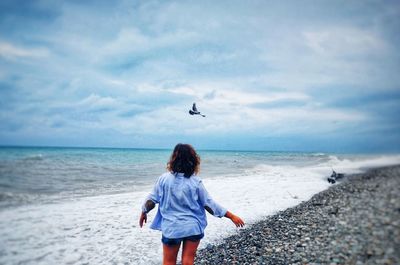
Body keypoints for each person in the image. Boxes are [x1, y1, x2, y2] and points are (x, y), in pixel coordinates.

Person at [139, 143, 245, 265]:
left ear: (174, 158)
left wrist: (144, 211)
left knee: (168, 262)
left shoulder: (164, 179)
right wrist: (231, 216)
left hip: (172, 227)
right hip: (193, 227)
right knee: (188, 262)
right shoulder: (195, 182)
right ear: (193, 160)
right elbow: (209, 204)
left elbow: (152, 200)